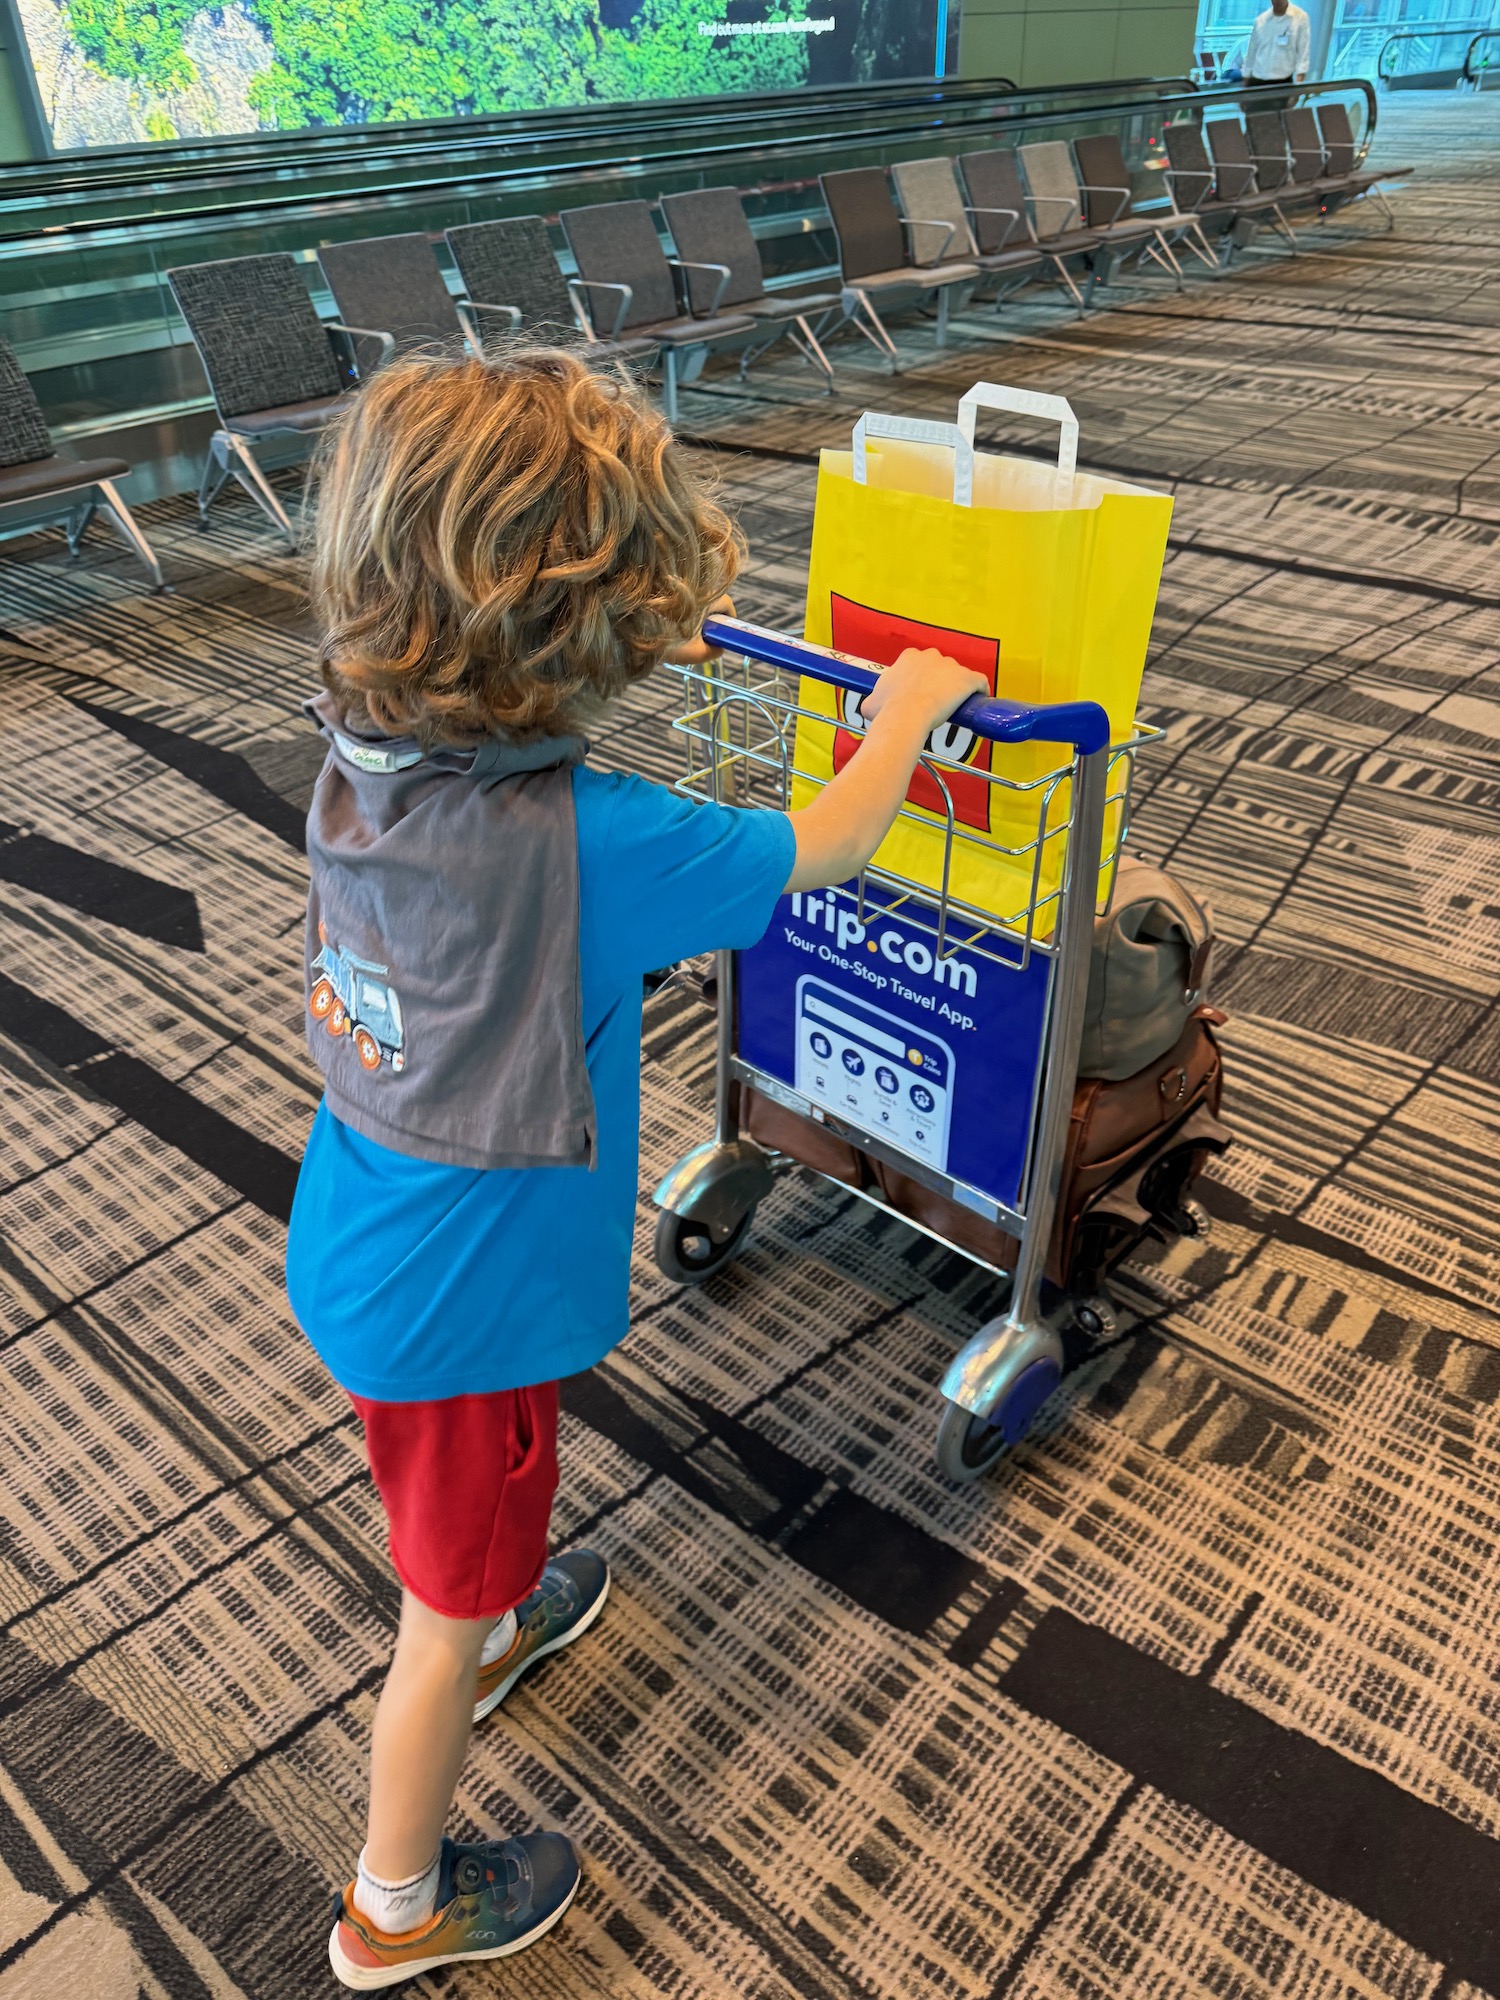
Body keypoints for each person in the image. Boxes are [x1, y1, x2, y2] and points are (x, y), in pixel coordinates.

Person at [284, 349, 987, 1990]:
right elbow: (826, 848)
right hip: (463, 1317)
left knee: (466, 1544)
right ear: (579, 633)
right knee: (434, 1619)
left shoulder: (361, 744)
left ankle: (509, 1608)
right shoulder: (598, 841)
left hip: (367, 1241)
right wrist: (900, 714)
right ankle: (396, 1906)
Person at [1240, 0, 1310, 92]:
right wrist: (1244, 87)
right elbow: (1250, 57)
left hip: (1282, 82)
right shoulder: (1261, 21)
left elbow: (1303, 57)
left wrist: (1297, 91)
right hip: (1257, 81)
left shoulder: (1300, 18)